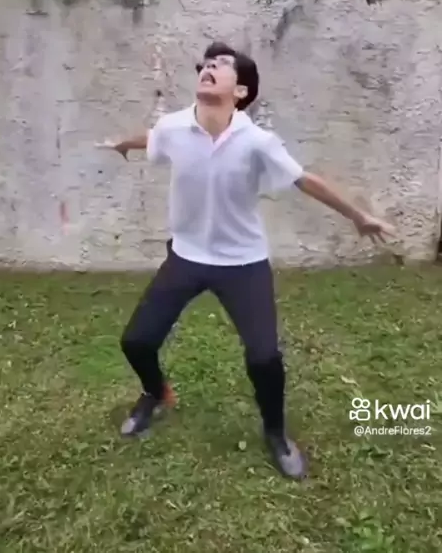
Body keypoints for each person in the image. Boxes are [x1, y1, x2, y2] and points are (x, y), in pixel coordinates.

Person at [95, 42, 394, 480]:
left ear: (241, 92)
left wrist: (359, 216)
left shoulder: (257, 143)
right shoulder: (175, 126)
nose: (209, 67)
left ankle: (276, 432)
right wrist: (125, 143)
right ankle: (155, 393)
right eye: (206, 64)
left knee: (264, 357)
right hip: (187, 256)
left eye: (221, 65)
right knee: (136, 341)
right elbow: (154, 138)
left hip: (243, 262)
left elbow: (304, 179)